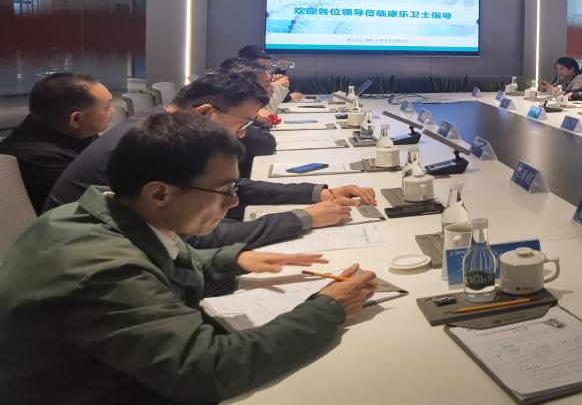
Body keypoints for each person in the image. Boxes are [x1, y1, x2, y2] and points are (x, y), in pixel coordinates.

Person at [0, 112, 379, 404]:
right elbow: (207, 369)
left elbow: (161, 262)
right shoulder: (104, 270)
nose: (232, 203)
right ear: (160, 193)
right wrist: (328, 309)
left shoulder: (100, 211)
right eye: (225, 192)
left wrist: (230, 261)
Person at [46, 69, 374, 250]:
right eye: (241, 123)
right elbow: (197, 237)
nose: (243, 134)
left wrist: (317, 193)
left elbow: (228, 187)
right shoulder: (154, 142)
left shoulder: (166, 126)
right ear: (205, 112)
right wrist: (304, 218)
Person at [0, 73, 114, 209]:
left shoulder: (50, 129)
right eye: (107, 107)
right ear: (76, 119)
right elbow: (94, 207)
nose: (113, 110)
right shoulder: (44, 160)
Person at [238, 44, 304, 106]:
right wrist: (278, 87)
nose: (269, 73)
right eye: (264, 67)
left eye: (270, 68)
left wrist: (277, 78)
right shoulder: (239, 83)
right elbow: (263, 107)